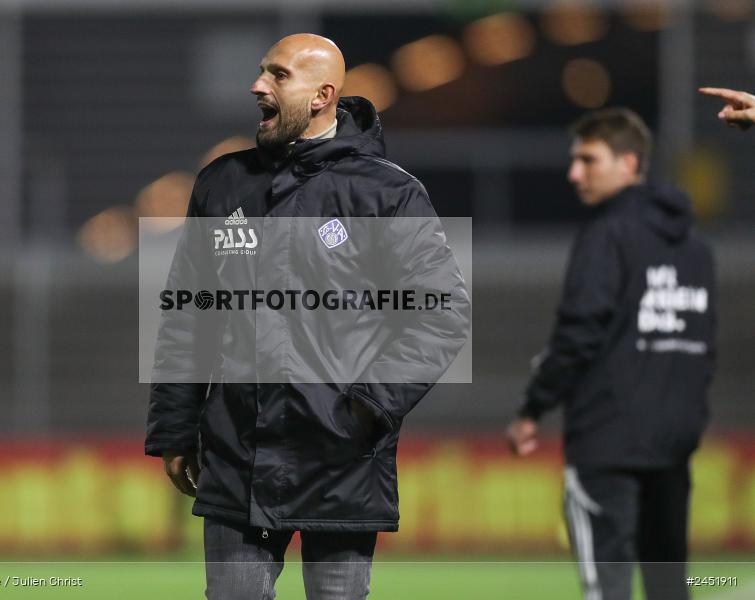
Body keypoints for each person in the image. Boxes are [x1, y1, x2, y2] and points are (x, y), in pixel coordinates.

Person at [146, 33, 470, 600]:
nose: (257, 86)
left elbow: (439, 313)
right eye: (261, 72)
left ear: (322, 94)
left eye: (277, 75)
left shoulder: (387, 194)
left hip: (342, 457)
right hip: (236, 454)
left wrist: (370, 407)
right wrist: (175, 426)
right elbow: (189, 316)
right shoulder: (222, 184)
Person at [505, 108, 716, 600]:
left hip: (608, 439)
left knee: (608, 587)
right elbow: (702, 346)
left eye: (587, 160)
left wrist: (533, 407)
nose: (574, 173)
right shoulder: (695, 247)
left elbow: (579, 332)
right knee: (669, 586)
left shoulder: (607, 234)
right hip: (674, 440)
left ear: (628, 162)